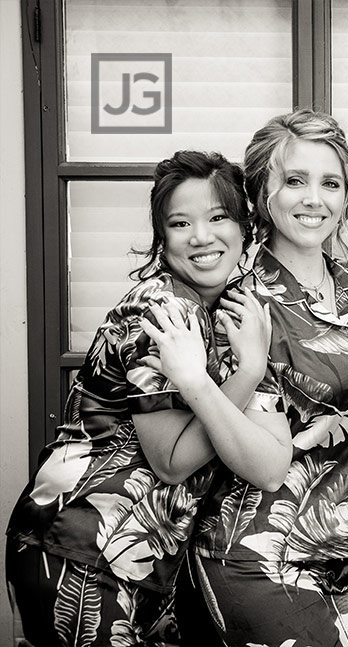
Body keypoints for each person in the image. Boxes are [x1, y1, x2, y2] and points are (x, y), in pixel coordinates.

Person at [5, 150, 285, 645]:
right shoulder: (160, 310)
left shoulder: (217, 309)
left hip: (137, 553)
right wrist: (250, 370)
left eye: (218, 217)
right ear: (163, 238)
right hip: (83, 549)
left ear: (246, 230)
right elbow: (172, 462)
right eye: (180, 223)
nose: (201, 236)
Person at [189, 109, 348, 646]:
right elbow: (252, 450)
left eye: (331, 184)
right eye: (295, 181)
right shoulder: (242, 302)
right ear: (262, 193)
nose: (315, 199)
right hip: (269, 555)